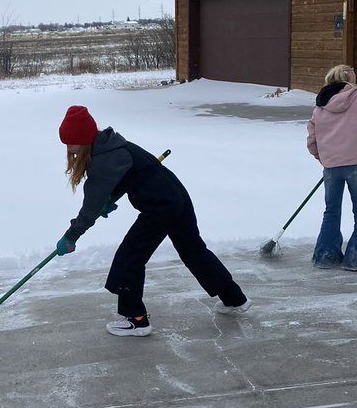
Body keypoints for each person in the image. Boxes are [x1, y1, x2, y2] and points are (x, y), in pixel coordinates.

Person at [55, 105, 249, 336]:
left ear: (85, 138)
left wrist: (72, 236)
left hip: (160, 206)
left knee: (130, 258)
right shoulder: (112, 145)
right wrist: (109, 196)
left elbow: (90, 208)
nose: (69, 148)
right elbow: (125, 176)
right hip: (175, 195)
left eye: (72, 142)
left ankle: (136, 320)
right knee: (193, 250)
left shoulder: (105, 158)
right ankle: (234, 299)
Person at [306, 64, 357, 271]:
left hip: (331, 167)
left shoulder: (320, 106)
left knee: (331, 210)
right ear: (350, 80)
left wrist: (325, 159)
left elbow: (312, 140)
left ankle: (325, 257)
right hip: (356, 165)